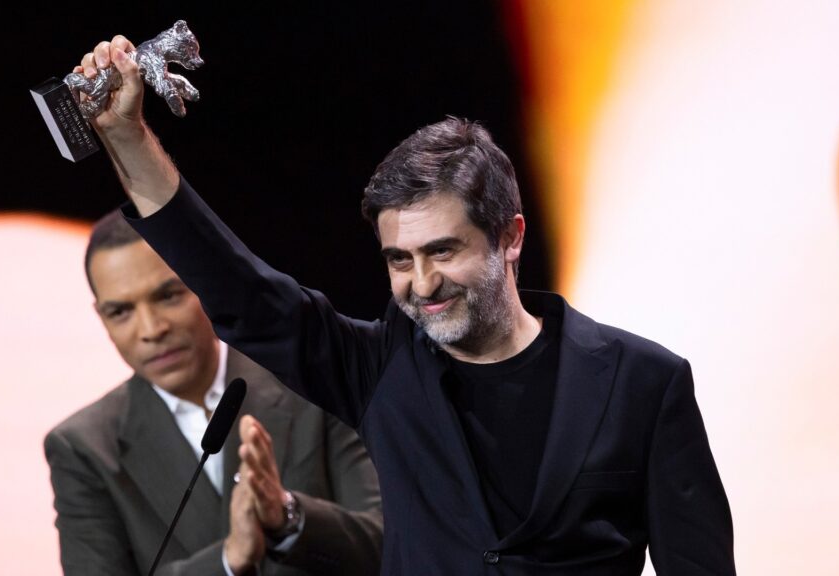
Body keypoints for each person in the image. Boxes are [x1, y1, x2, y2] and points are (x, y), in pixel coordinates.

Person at [71, 35, 736, 575]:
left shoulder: (643, 382)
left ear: (510, 237)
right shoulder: (379, 369)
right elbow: (239, 292)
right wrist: (127, 138)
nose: (422, 283)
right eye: (399, 259)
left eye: (443, 251)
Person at [44, 211, 383, 576]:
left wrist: (288, 516)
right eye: (121, 311)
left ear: (204, 285)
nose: (151, 329)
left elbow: (392, 538)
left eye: (168, 295)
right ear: (102, 318)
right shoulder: (84, 448)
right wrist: (227, 559)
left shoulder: (308, 381)